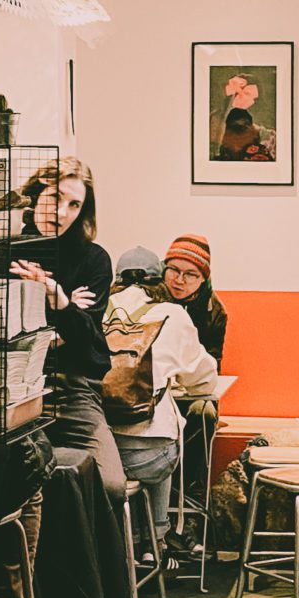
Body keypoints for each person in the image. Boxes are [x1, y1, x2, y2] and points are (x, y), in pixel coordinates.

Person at [11, 156, 123, 504]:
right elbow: (5, 331)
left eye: (74, 204)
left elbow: (85, 339)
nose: (61, 212)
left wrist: (58, 299)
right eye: (55, 197)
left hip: (71, 388)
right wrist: (65, 318)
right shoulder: (10, 249)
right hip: (16, 387)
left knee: (111, 486)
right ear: (36, 193)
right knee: (23, 484)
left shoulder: (93, 259)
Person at [103, 247, 218, 558]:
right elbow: (203, 377)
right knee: (162, 445)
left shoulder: (97, 309)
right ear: (159, 279)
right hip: (150, 459)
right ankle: (156, 540)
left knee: (137, 448)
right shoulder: (173, 314)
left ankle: (131, 539)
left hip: (101, 454)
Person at [161, 234, 228, 370]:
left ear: (203, 278)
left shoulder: (214, 312)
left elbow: (212, 364)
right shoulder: (148, 296)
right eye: (174, 270)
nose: (179, 280)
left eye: (190, 274)